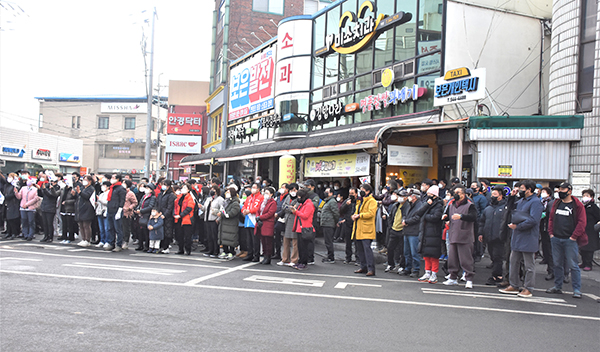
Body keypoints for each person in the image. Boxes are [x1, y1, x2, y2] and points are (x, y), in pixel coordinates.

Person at [499, 180, 544, 298]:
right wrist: (511, 197)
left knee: (529, 265)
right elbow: (510, 209)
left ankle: (528, 288)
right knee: (513, 261)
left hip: (528, 236)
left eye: (522, 188)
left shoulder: (535, 202)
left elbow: (534, 220)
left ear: (529, 189)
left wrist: (518, 226)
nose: (519, 190)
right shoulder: (521, 201)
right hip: (517, 235)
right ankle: (514, 285)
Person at [545, 182, 587, 299]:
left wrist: (574, 236)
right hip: (556, 238)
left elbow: (582, 222)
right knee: (557, 263)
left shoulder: (577, 205)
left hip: (570, 240)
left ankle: (577, 289)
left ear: (569, 191)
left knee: (573, 265)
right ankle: (558, 287)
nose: (560, 192)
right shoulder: (556, 203)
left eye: (563, 190)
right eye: (559, 190)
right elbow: (551, 219)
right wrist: (551, 233)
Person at [442, 185, 477, 288]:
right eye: (455, 193)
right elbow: (449, 215)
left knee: (466, 259)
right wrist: (446, 217)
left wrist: (461, 216)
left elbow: (474, 217)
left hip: (465, 236)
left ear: (463, 194)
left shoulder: (470, 205)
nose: (455, 195)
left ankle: (469, 278)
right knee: (452, 258)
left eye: (458, 193)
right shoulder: (452, 204)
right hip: (453, 234)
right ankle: (452, 277)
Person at [478, 186, 508, 285]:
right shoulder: (488, 208)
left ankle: (497, 276)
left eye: (495, 195)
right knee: (492, 256)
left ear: (500, 196)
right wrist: (481, 233)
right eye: (492, 195)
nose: (492, 196)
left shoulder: (505, 208)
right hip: (489, 237)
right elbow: (482, 222)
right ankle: (496, 274)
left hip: (499, 237)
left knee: (497, 257)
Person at [416, 185, 444, 283]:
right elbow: (419, 213)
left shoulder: (439, 205)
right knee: (426, 254)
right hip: (425, 231)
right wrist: (426, 206)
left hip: (434, 232)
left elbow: (436, 217)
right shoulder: (427, 203)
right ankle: (427, 272)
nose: (428, 196)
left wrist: (425, 216)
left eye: (430, 194)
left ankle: (434, 274)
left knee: (434, 255)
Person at [352, 184, 377, 276]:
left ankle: (371, 268)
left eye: (362, 190)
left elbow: (371, 213)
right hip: (359, 227)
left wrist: (360, 215)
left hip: (367, 229)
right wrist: (354, 215)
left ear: (367, 191)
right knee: (360, 249)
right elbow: (357, 211)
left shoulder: (372, 201)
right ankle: (363, 267)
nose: (360, 191)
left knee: (367, 249)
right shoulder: (360, 201)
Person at [400, 189, 423, 278]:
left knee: (414, 252)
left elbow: (417, 217)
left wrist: (407, 221)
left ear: (414, 197)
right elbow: (405, 214)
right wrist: (404, 220)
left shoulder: (420, 205)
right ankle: (408, 268)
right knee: (407, 252)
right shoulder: (409, 205)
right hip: (407, 230)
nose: (409, 197)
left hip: (414, 231)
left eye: (410, 195)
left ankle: (416, 269)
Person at [291, 188, 315, 270]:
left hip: (305, 227)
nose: (298, 198)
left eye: (299, 196)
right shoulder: (302, 204)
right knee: (300, 247)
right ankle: (300, 261)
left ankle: (304, 262)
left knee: (304, 247)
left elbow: (305, 215)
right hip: (299, 227)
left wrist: (296, 211)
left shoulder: (309, 204)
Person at [386, 189, 408, 273]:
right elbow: (391, 216)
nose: (399, 198)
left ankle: (402, 265)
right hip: (394, 229)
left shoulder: (407, 206)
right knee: (390, 247)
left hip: (402, 230)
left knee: (402, 249)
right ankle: (390, 264)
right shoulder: (395, 205)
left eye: (401, 196)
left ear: (406, 198)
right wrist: (390, 226)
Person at [277, 183, 299, 266]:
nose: (293, 192)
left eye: (294, 190)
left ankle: (294, 260)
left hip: (294, 221)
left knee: (295, 242)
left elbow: (295, 209)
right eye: (291, 190)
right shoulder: (288, 197)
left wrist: (288, 208)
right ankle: (285, 259)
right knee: (285, 241)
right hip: (286, 221)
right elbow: (284, 206)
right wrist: (289, 208)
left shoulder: (299, 199)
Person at [242, 183, 264, 262]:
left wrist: (250, 211)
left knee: (255, 240)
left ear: (258, 189)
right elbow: (244, 205)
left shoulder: (261, 197)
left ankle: (256, 255)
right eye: (252, 187)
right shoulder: (249, 197)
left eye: (254, 187)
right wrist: (244, 210)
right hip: (248, 220)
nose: (253, 189)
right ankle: (249, 254)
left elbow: (258, 208)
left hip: (254, 221)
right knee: (249, 240)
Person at [218, 185, 240, 260]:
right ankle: (225, 251)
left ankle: (231, 251)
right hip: (224, 223)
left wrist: (223, 215)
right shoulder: (225, 201)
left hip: (231, 223)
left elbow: (233, 212)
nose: (226, 193)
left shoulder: (235, 202)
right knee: (224, 237)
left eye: (228, 192)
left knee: (231, 237)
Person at [201, 185, 225, 258]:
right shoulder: (208, 199)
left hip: (214, 219)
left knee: (214, 236)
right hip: (207, 218)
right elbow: (205, 209)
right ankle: (210, 250)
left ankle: (216, 251)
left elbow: (222, 210)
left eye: (213, 189)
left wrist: (218, 219)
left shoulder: (220, 199)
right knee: (209, 235)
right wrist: (201, 207)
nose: (212, 191)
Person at [579, 189, 600, 271]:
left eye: (587, 195)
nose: (585, 197)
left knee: (589, 248)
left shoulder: (593, 207)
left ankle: (588, 264)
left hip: (591, 231)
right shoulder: (583, 206)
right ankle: (583, 262)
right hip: (583, 230)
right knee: (582, 247)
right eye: (584, 195)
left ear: (591, 197)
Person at [255, 187, 277, 264]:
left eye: (267, 193)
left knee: (268, 241)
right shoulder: (262, 202)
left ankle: (268, 257)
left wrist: (260, 217)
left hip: (268, 223)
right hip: (261, 223)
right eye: (265, 193)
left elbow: (270, 213)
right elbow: (258, 210)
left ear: (271, 194)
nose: (265, 195)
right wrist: (258, 217)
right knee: (263, 240)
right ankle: (264, 256)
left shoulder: (273, 203)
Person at [74, 175, 96, 247]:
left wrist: (80, 192)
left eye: (86, 180)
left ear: (90, 181)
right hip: (80, 208)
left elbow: (87, 196)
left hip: (87, 208)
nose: (84, 181)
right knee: (81, 225)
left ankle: (87, 240)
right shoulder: (82, 188)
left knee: (86, 225)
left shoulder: (91, 189)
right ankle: (83, 239)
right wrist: (75, 193)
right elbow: (78, 197)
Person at [106, 174, 126, 252]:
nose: (112, 179)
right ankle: (111, 243)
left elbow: (122, 200)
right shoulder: (112, 188)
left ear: (118, 179)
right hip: (110, 210)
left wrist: (119, 210)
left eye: (113, 178)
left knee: (118, 228)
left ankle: (119, 244)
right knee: (110, 228)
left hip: (117, 210)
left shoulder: (121, 189)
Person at [174, 183, 194, 255]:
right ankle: (180, 249)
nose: (183, 189)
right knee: (179, 235)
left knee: (187, 236)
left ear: (188, 189)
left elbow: (189, 208)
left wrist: (180, 215)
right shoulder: (180, 197)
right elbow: (176, 206)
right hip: (178, 218)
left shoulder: (190, 197)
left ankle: (188, 249)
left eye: (185, 188)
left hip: (186, 219)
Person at [320, 187, 339, 263]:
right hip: (326, 223)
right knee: (327, 241)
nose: (325, 193)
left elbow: (336, 213)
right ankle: (329, 256)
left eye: (327, 191)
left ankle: (331, 257)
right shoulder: (327, 201)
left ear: (331, 193)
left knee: (329, 241)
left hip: (329, 223)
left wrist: (335, 222)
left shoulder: (332, 202)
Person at [39, 175, 60, 243]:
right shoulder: (47, 185)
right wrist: (40, 189)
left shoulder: (57, 187)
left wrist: (45, 189)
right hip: (44, 205)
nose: (52, 183)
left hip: (51, 207)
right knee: (44, 223)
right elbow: (42, 194)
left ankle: (50, 237)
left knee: (49, 223)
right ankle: (46, 236)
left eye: (53, 181)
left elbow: (51, 195)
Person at [135, 183, 156, 252]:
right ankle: (140, 245)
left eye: (148, 188)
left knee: (146, 232)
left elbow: (150, 206)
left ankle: (146, 246)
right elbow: (140, 204)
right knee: (139, 231)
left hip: (147, 216)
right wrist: (137, 210)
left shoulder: (152, 197)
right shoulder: (144, 196)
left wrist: (141, 211)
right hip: (141, 216)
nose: (146, 190)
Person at [339, 187, 358, 264]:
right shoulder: (347, 201)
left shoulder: (359, 201)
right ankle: (348, 257)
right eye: (350, 194)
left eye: (353, 194)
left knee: (357, 242)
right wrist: (346, 205)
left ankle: (358, 258)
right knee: (348, 242)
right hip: (347, 223)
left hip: (356, 223)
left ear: (356, 194)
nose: (351, 195)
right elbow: (341, 211)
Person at [156, 180, 174, 254]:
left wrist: (165, 214)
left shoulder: (171, 195)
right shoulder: (160, 194)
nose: (163, 186)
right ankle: (161, 247)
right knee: (161, 231)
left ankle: (166, 247)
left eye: (165, 185)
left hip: (167, 216)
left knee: (167, 232)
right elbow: (157, 204)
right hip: (160, 214)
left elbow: (170, 207)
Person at [2, 173, 21, 240]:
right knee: (8, 218)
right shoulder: (7, 185)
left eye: (10, 177)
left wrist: (6, 197)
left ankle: (14, 233)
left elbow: (14, 194)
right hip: (7, 203)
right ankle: (8, 232)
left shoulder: (15, 185)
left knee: (13, 219)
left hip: (14, 203)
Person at [58, 178, 76, 243]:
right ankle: (64, 236)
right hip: (63, 208)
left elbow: (75, 199)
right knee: (64, 224)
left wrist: (67, 202)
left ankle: (70, 237)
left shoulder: (73, 189)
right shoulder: (64, 189)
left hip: (70, 209)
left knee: (70, 224)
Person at [121, 180, 138, 250]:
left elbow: (135, 202)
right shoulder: (120, 192)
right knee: (120, 228)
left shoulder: (130, 193)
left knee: (126, 228)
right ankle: (120, 240)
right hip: (119, 211)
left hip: (127, 213)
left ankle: (126, 241)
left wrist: (129, 208)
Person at [273, 183, 288, 259]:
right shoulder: (278, 197)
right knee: (276, 236)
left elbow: (285, 208)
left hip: (283, 218)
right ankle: (277, 252)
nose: (281, 189)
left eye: (283, 187)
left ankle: (285, 255)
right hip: (276, 217)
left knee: (285, 238)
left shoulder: (288, 197)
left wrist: (278, 214)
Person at [96, 181, 110, 247]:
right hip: (99, 212)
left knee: (106, 227)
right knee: (101, 228)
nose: (102, 187)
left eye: (104, 186)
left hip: (106, 211)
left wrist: (100, 200)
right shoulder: (101, 194)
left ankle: (107, 241)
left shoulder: (109, 193)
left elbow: (107, 203)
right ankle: (102, 240)